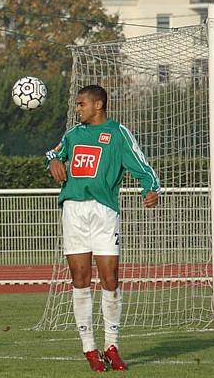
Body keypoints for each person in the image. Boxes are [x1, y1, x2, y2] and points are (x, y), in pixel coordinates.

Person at [45, 85, 159, 372]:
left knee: (110, 277)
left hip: (105, 212)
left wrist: (151, 187)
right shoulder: (73, 135)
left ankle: (112, 345)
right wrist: (55, 161)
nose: (77, 109)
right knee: (80, 277)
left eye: (81, 104)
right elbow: (51, 154)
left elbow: (141, 164)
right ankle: (89, 348)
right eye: (77, 105)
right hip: (74, 210)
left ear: (98, 105)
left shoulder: (117, 133)